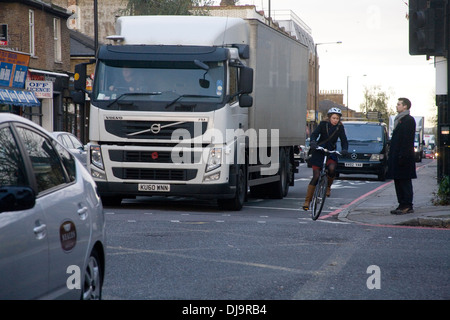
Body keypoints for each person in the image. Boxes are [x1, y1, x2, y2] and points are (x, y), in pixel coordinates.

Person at [302, 107, 348, 211]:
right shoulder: (323, 125)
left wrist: (345, 149)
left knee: (332, 168)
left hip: (331, 152)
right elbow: (314, 134)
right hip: (319, 151)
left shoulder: (340, 128)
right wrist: (313, 142)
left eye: (337, 118)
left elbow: (344, 140)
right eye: (334, 118)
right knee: (316, 176)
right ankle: (307, 201)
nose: (335, 120)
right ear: (329, 117)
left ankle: (328, 187)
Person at [386, 97, 417, 214]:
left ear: (405, 106)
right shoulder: (399, 119)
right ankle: (401, 204)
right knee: (398, 181)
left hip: (404, 156)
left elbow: (406, 140)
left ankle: (408, 205)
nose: (397, 106)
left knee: (405, 181)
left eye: (399, 104)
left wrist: (402, 155)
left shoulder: (409, 120)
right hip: (396, 155)